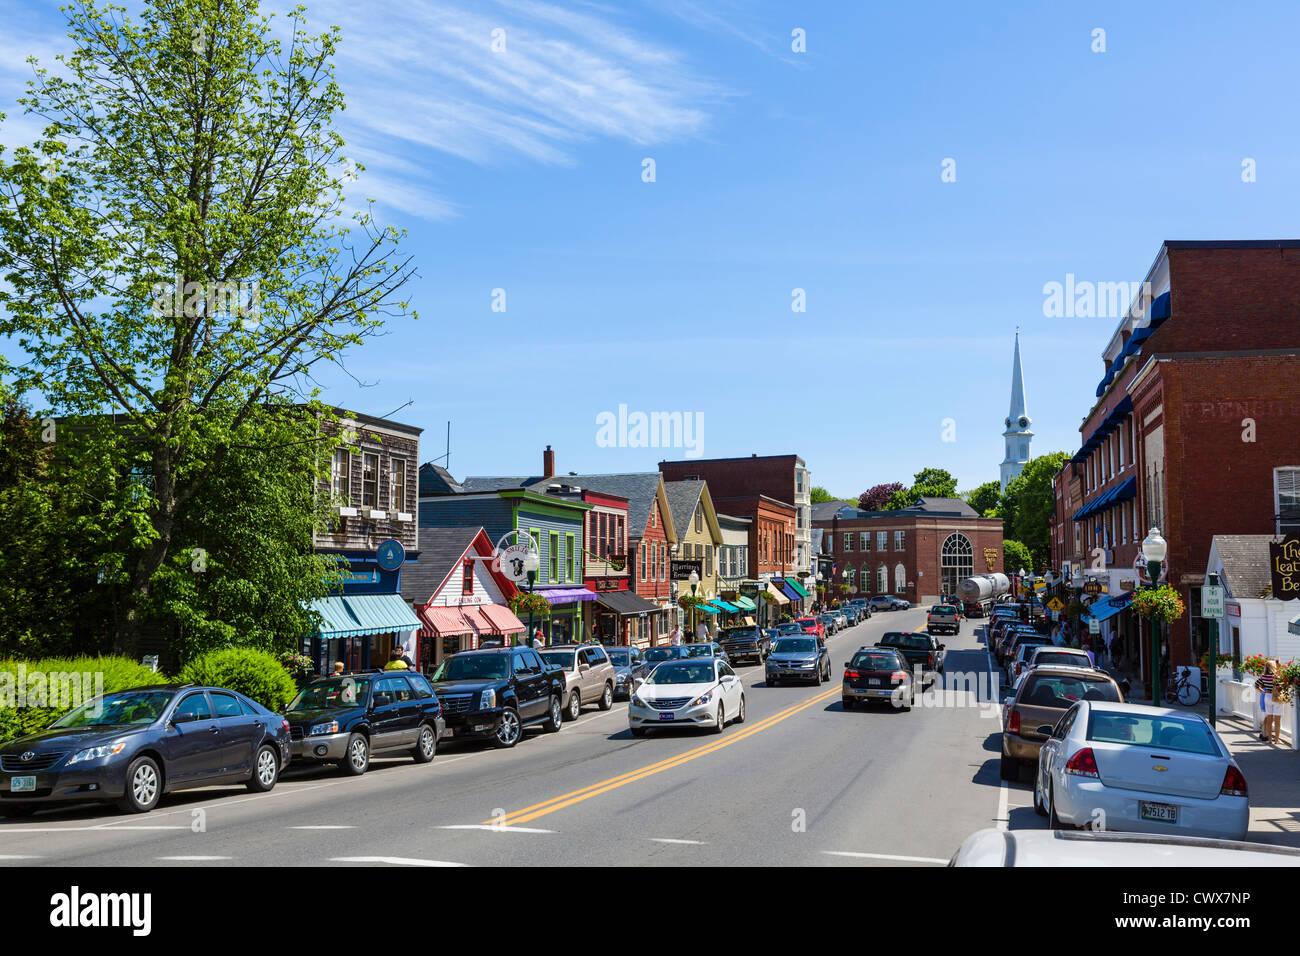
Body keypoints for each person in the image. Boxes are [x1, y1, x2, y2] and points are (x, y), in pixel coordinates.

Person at [1256, 660, 1280, 743]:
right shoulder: (1276, 676)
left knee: (1269, 719)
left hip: (1267, 696)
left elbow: (1256, 685)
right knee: (1277, 720)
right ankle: (1276, 740)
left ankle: (1269, 739)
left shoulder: (1263, 676)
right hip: (1275, 697)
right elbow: (1279, 686)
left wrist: (1263, 691)